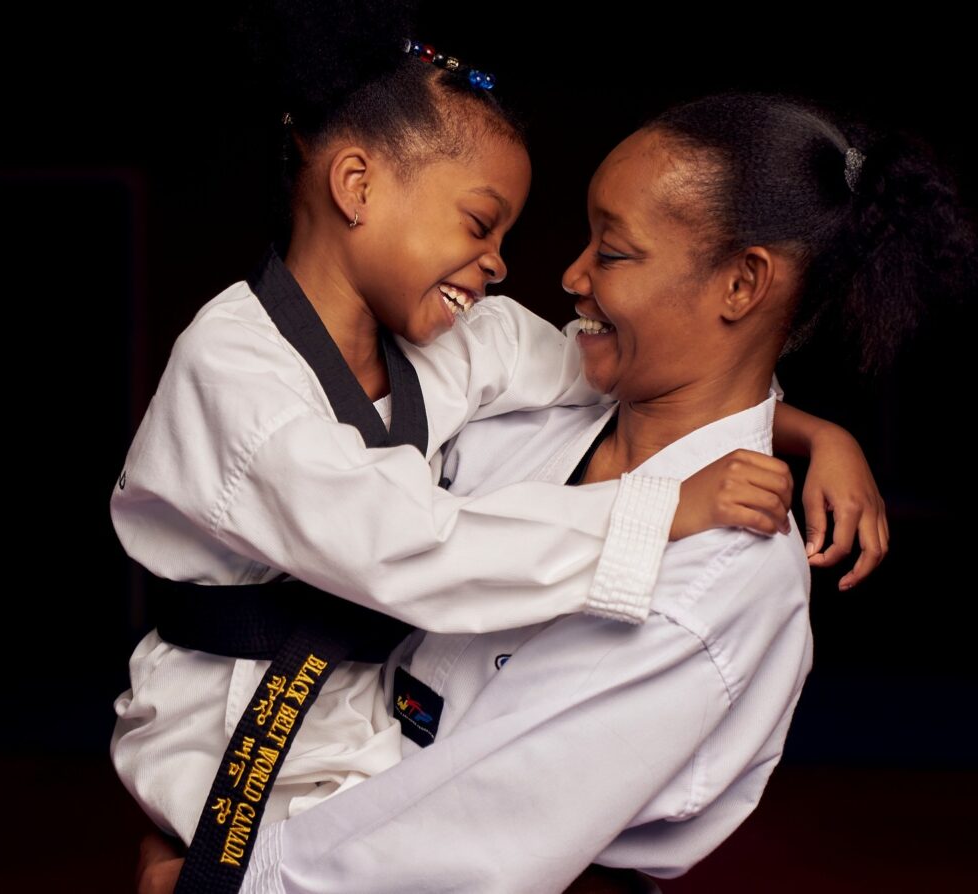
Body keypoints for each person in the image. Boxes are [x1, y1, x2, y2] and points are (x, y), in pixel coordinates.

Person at [112, 4, 888, 883]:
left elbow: (469, 844)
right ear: (358, 188)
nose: (549, 272)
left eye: (614, 249)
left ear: (743, 284)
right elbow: (412, 544)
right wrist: (673, 499)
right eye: (481, 225)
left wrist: (809, 428)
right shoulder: (244, 375)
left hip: (373, 818)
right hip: (226, 726)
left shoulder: (715, 577)